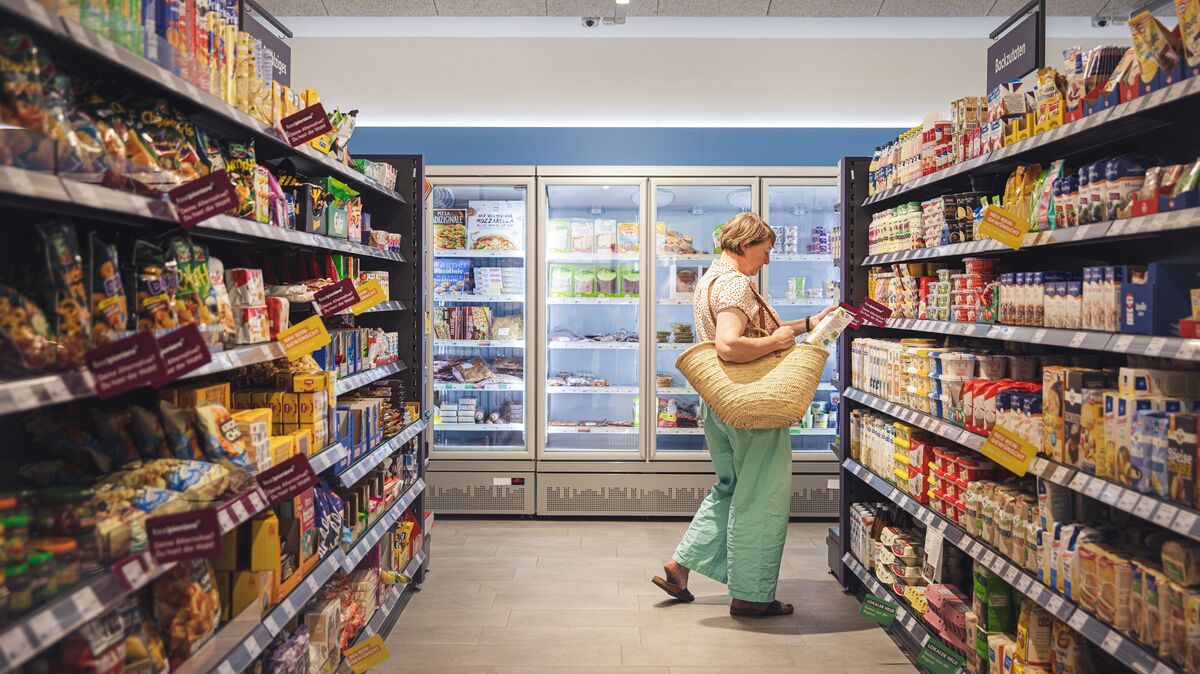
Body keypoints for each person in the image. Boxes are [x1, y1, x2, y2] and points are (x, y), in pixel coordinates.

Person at [651, 212, 834, 618]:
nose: (767, 260)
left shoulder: (712, 279)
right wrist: (776, 341)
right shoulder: (736, 284)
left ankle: (680, 566)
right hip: (752, 404)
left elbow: (751, 329)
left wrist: (806, 324)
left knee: (731, 488)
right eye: (765, 252)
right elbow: (730, 345)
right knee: (761, 497)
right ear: (744, 245)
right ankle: (751, 595)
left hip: (721, 400)